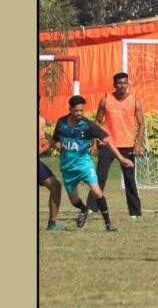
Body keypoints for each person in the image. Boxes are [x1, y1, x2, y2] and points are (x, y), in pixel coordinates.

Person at [45, 95, 132, 231]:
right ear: (70, 109)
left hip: (84, 164)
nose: (79, 113)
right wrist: (47, 146)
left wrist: (121, 158)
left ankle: (108, 224)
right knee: (74, 201)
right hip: (67, 167)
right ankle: (84, 209)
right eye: (76, 111)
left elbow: (108, 140)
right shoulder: (61, 123)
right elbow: (54, 140)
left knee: (97, 191)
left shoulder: (88, 125)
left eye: (82, 110)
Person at [95, 72, 145, 219]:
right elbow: (97, 122)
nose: (122, 85)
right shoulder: (105, 99)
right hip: (107, 143)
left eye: (125, 83)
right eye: (119, 83)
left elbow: (141, 124)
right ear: (114, 85)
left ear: (128, 84)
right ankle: (92, 208)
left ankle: (135, 212)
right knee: (100, 177)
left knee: (130, 179)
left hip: (127, 145)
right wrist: (94, 142)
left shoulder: (135, 101)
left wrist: (138, 144)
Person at [39, 106, 66, 231]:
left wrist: (54, 143)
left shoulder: (41, 120)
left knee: (55, 186)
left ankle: (52, 224)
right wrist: (50, 143)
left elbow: (41, 140)